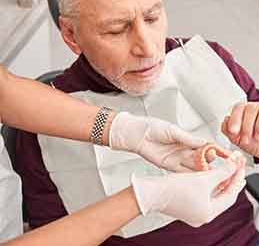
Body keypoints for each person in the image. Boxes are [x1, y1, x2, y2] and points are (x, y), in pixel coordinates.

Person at [16, 0, 259, 245]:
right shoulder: (43, 124)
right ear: (72, 35)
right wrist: (145, 197)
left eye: (152, 17)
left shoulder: (209, 63)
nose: (149, 48)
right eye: (116, 30)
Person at [0, 64, 245, 245]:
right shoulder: (36, 146)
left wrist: (121, 129)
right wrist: (145, 198)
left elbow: (4, 90)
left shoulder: (208, 62)